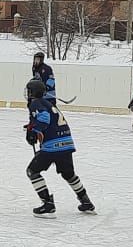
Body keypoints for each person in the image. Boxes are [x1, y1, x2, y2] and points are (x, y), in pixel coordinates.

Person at [24, 78, 93, 216]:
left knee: (32, 171)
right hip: (66, 143)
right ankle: (86, 202)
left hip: (52, 146)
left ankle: (47, 204)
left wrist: (34, 131)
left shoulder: (36, 103)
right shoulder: (49, 103)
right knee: (69, 174)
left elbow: (44, 118)